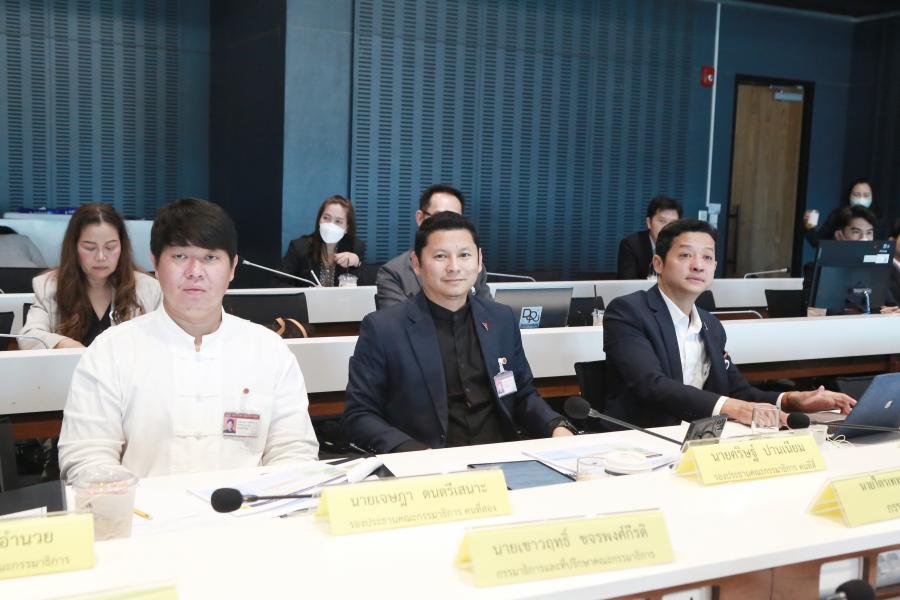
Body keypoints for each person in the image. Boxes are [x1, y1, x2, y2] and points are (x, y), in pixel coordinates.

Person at [58, 198, 319, 482]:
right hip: (142, 508)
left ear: (232, 267)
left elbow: (293, 450)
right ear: (155, 264)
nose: (195, 271)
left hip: (247, 506)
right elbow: (88, 456)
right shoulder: (111, 350)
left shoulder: (269, 351)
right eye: (180, 256)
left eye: (210, 258)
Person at [343, 211, 575, 453]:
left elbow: (522, 394)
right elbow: (359, 415)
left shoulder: (501, 319)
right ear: (416, 263)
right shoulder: (384, 328)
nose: (454, 267)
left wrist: (555, 426)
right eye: (440, 256)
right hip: (427, 463)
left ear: (479, 260)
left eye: (464, 255)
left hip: (501, 458)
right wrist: (412, 452)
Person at [603, 219, 855, 428]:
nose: (698, 265)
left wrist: (792, 400)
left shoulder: (711, 325)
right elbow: (652, 386)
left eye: (707, 257)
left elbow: (738, 391)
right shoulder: (628, 312)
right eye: (685, 255)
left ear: (714, 267)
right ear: (658, 264)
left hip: (699, 439)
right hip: (638, 442)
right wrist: (735, 408)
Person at [18, 204, 161, 350]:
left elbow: (166, 339)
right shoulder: (49, 286)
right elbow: (29, 336)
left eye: (110, 247)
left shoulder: (149, 288)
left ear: (122, 247)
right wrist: (62, 343)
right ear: (74, 247)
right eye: (90, 248)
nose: (101, 257)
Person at [375, 184, 491, 309]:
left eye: (454, 217)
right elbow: (395, 319)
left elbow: (489, 314)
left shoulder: (474, 267)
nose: (448, 225)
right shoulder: (393, 273)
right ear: (420, 218)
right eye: (438, 217)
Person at [801, 206, 897, 313]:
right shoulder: (815, 270)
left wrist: (892, 311)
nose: (864, 238)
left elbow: (891, 305)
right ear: (839, 235)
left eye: (869, 233)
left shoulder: (877, 271)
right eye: (856, 232)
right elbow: (815, 312)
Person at [281, 195, 365, 286]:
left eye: (338, 221)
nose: (330, 225)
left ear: (347, 228)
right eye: (326, 218)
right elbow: (279, 283)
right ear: (319, 220)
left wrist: (357, 263)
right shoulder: (299, 247)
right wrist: (307, 293)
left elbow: (366, 286)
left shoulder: (355, 247)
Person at [803, 179, 888, 248]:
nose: (861, 199)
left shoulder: (880, 219)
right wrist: (810, 228)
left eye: (866, 195)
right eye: (856, 195)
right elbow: (818, 242)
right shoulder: (837, 216)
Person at [616, 195, 683, 279]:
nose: (667, 227)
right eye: (662, 221)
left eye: (673, 223)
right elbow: (628, 283)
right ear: (649, 222)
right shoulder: (631, 245)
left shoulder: (683, 247)